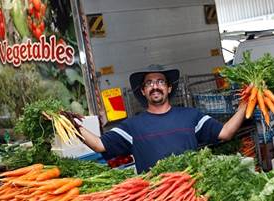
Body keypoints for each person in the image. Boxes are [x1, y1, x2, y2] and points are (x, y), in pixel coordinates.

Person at [79, 65, 247, 173]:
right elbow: (98, 145)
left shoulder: (190, 116)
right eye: (149, 83)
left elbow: (225, 133)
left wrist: (245, 105)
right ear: (143, 91)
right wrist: (68, 122)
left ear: (168, 88)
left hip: (191, 197)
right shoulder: (132, 126)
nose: (155, 86)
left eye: (160, 81)